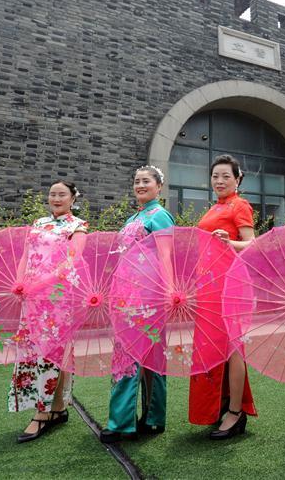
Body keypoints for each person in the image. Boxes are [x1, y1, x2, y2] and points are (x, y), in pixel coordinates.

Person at [100, 166, 174, 443]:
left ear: (159, 187)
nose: (140, 185)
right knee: (127, 355)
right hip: (127, 295)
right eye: (137, 181)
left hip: (149, 295)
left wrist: (167, 289)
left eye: (146, 181)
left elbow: (167, 255)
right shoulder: (135, 217)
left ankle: (137, 421)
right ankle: (139, 419)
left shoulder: (160, 216)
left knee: (145, 357)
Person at [10, 180, 88, 443]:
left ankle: (44, 413)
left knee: (54, 352)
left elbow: (71, 262)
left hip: (58, 298)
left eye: (62, 194)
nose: (56, 198)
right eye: (53, 194)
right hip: (31, 296)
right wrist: (20, 282)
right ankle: (57, 409)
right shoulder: (38, 224)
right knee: (32, 351)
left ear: (72, 199)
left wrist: (41, 283)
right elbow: (26, 256)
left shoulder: (77, 226)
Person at [188, 154, 258, 439]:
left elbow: (252, 244)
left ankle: (235, 412)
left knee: (233, 348)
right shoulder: (215, 208)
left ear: (237, 179)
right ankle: (222, 403)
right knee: (213, 348)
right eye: (215, 176)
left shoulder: (239, 205)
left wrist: (230, 242)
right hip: (209, 285)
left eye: (226, 176)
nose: (219, 181)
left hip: (232, 284)